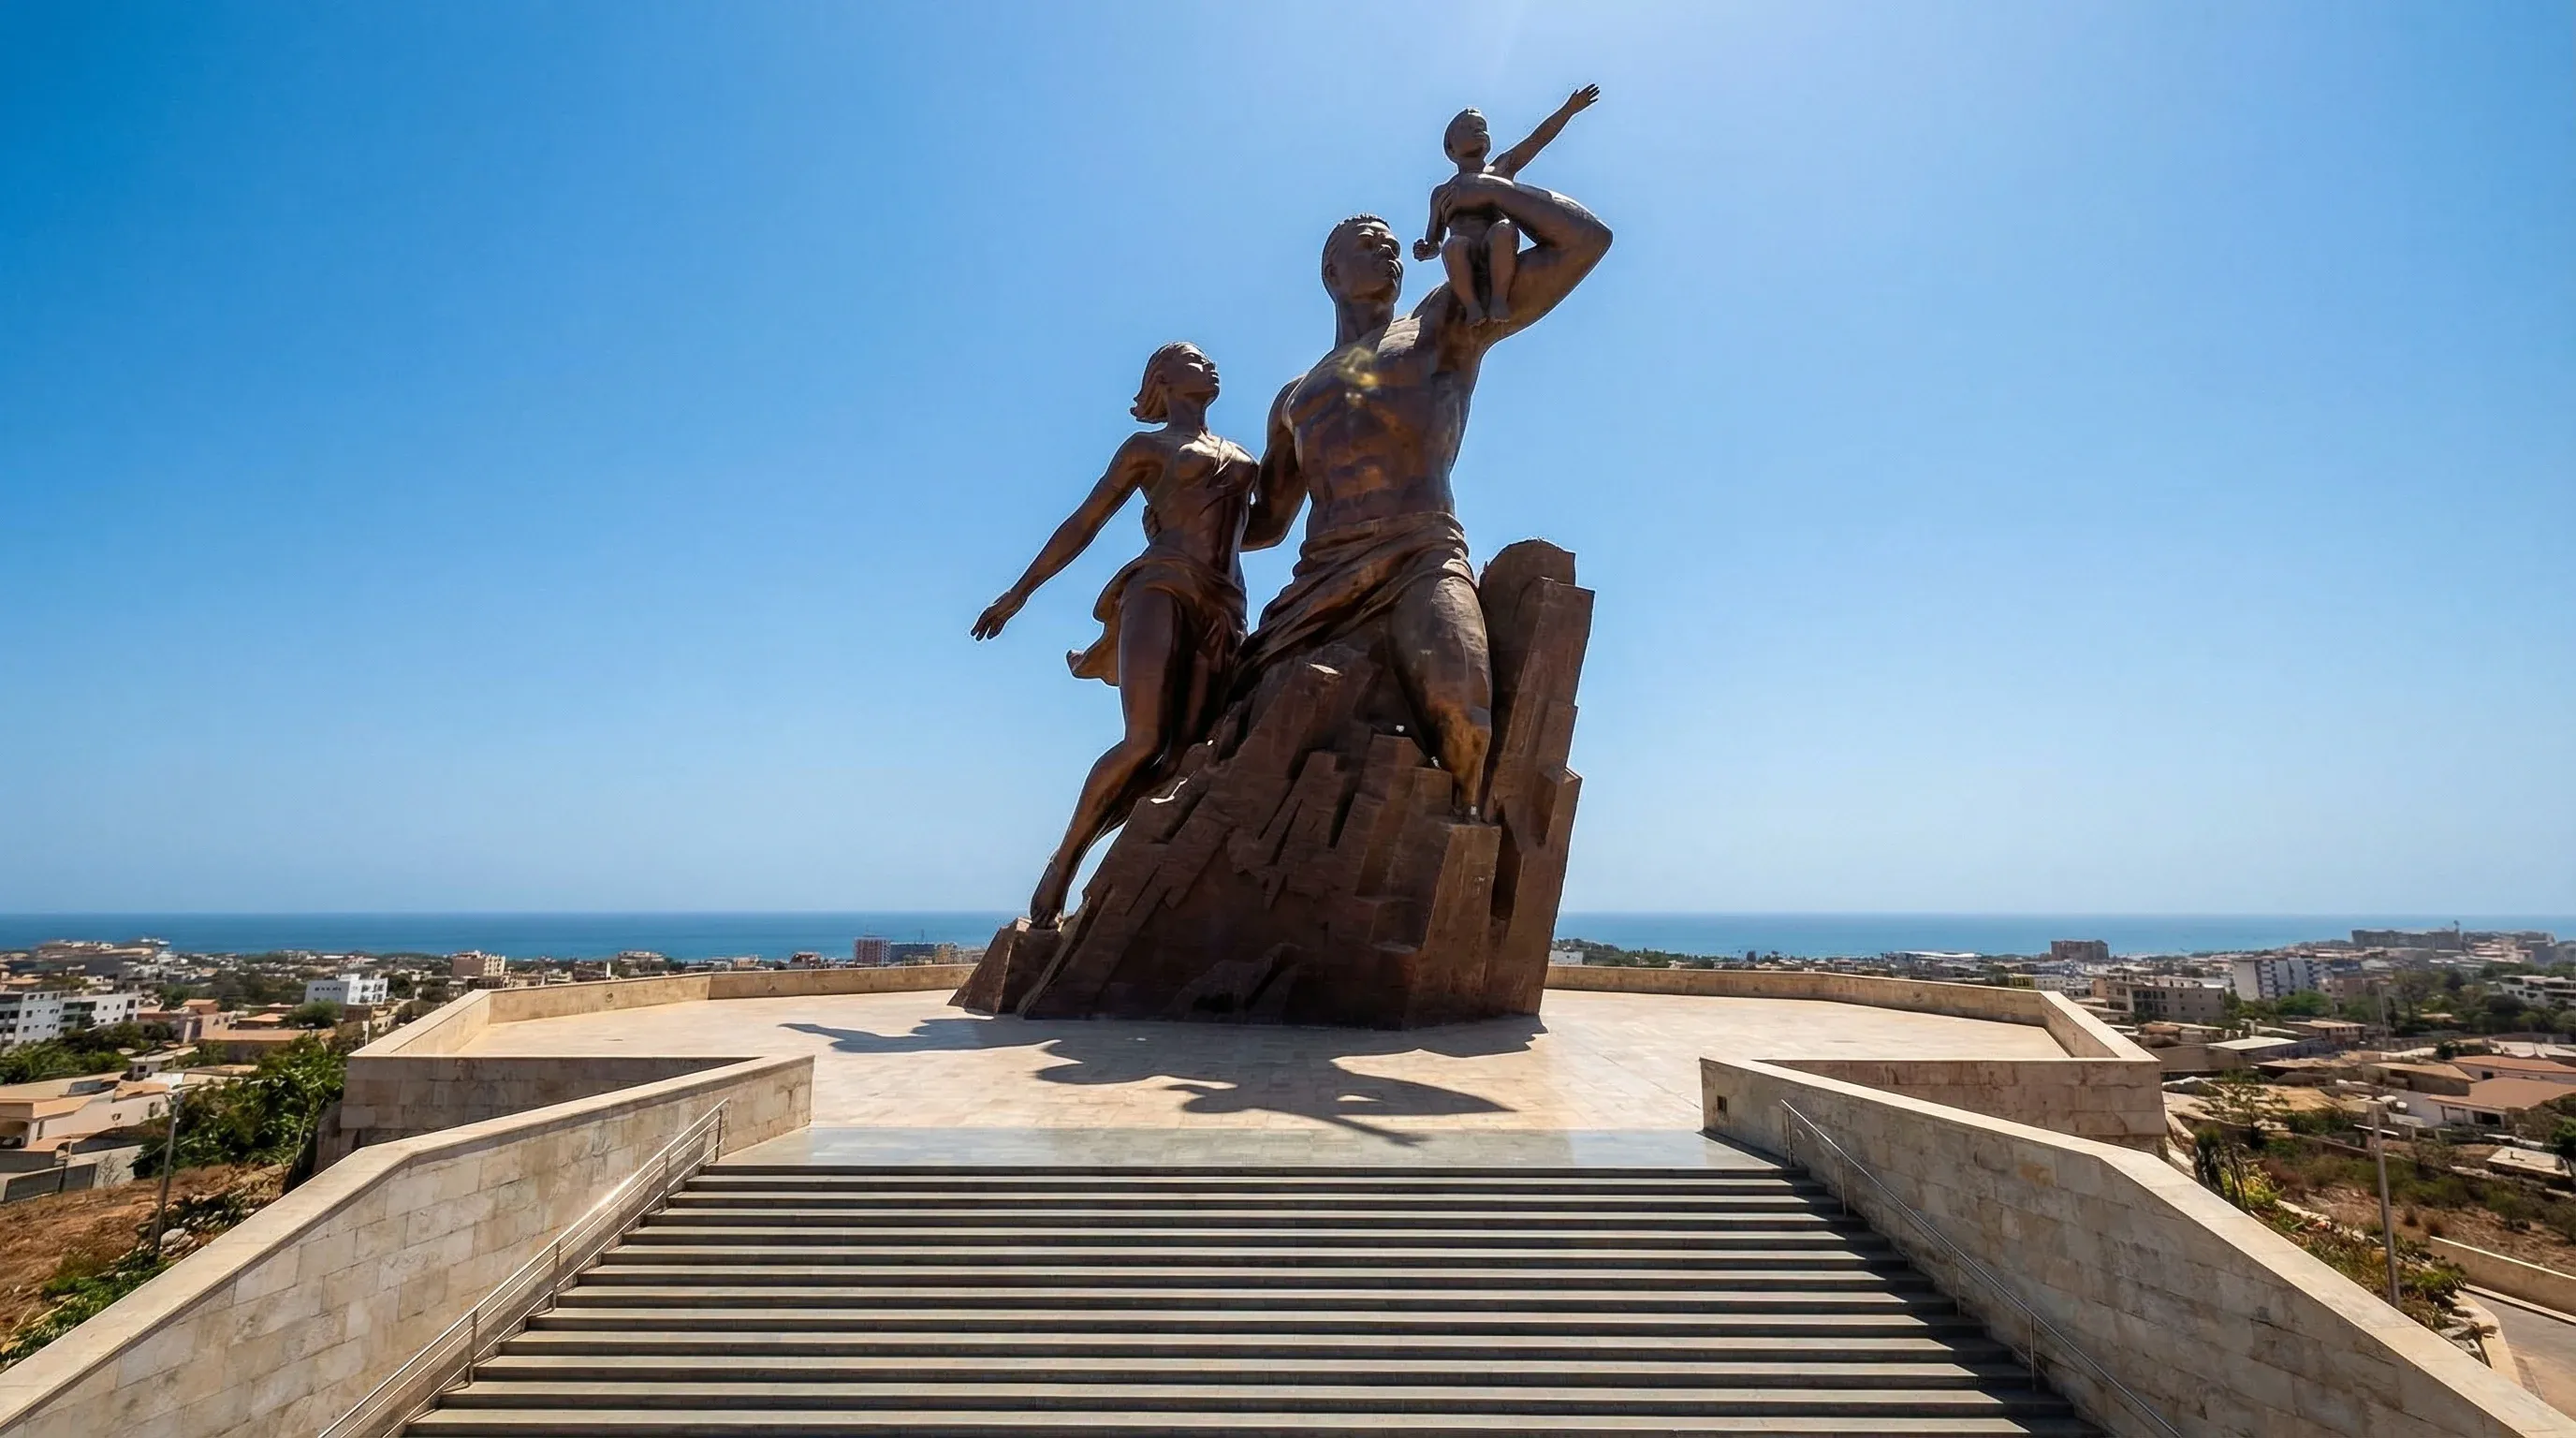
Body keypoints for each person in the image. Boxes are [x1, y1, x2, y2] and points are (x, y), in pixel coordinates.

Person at [1240, 168, 1610, 814]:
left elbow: (1584, 242)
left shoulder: (1443, 323)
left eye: (1391, 243)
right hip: (1318, 579)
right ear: (1331, 274)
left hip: (1420, 554)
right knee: (1230, 724)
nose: (1387, 250)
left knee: (1465, 720)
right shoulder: (1293, 399)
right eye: (1366, 242)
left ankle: (1452, 870)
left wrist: (1493, 192)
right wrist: (1179, 524)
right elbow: (1266, 524)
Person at [973, 343, 1258, 926]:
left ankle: (1127, 873)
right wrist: (1018, 594)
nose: (1211, 365)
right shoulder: (1148, 448)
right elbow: (1085, 521)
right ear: (1162, 379)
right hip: (1162, 586)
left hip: (1226, 604)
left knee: (1184, 759)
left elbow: (1265, 528)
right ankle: (1066, 859)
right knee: (1145, 740)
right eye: (1194, 360)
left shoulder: (1244, 455)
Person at [1415, 84, 1600, 325]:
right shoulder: (1442, 193)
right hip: (1465, 255)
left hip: (1497, 248)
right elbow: (1435, 239)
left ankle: (1499, 298)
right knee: (1455, 245)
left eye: (1482, 127)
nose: (1478, 130)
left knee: (1503, 229)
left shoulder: (1500, 169)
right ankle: (1472, 306)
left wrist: (1568, 110)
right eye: (1468, 128)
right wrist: (1426, 249)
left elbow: (1536, 140)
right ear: (1450, 147)